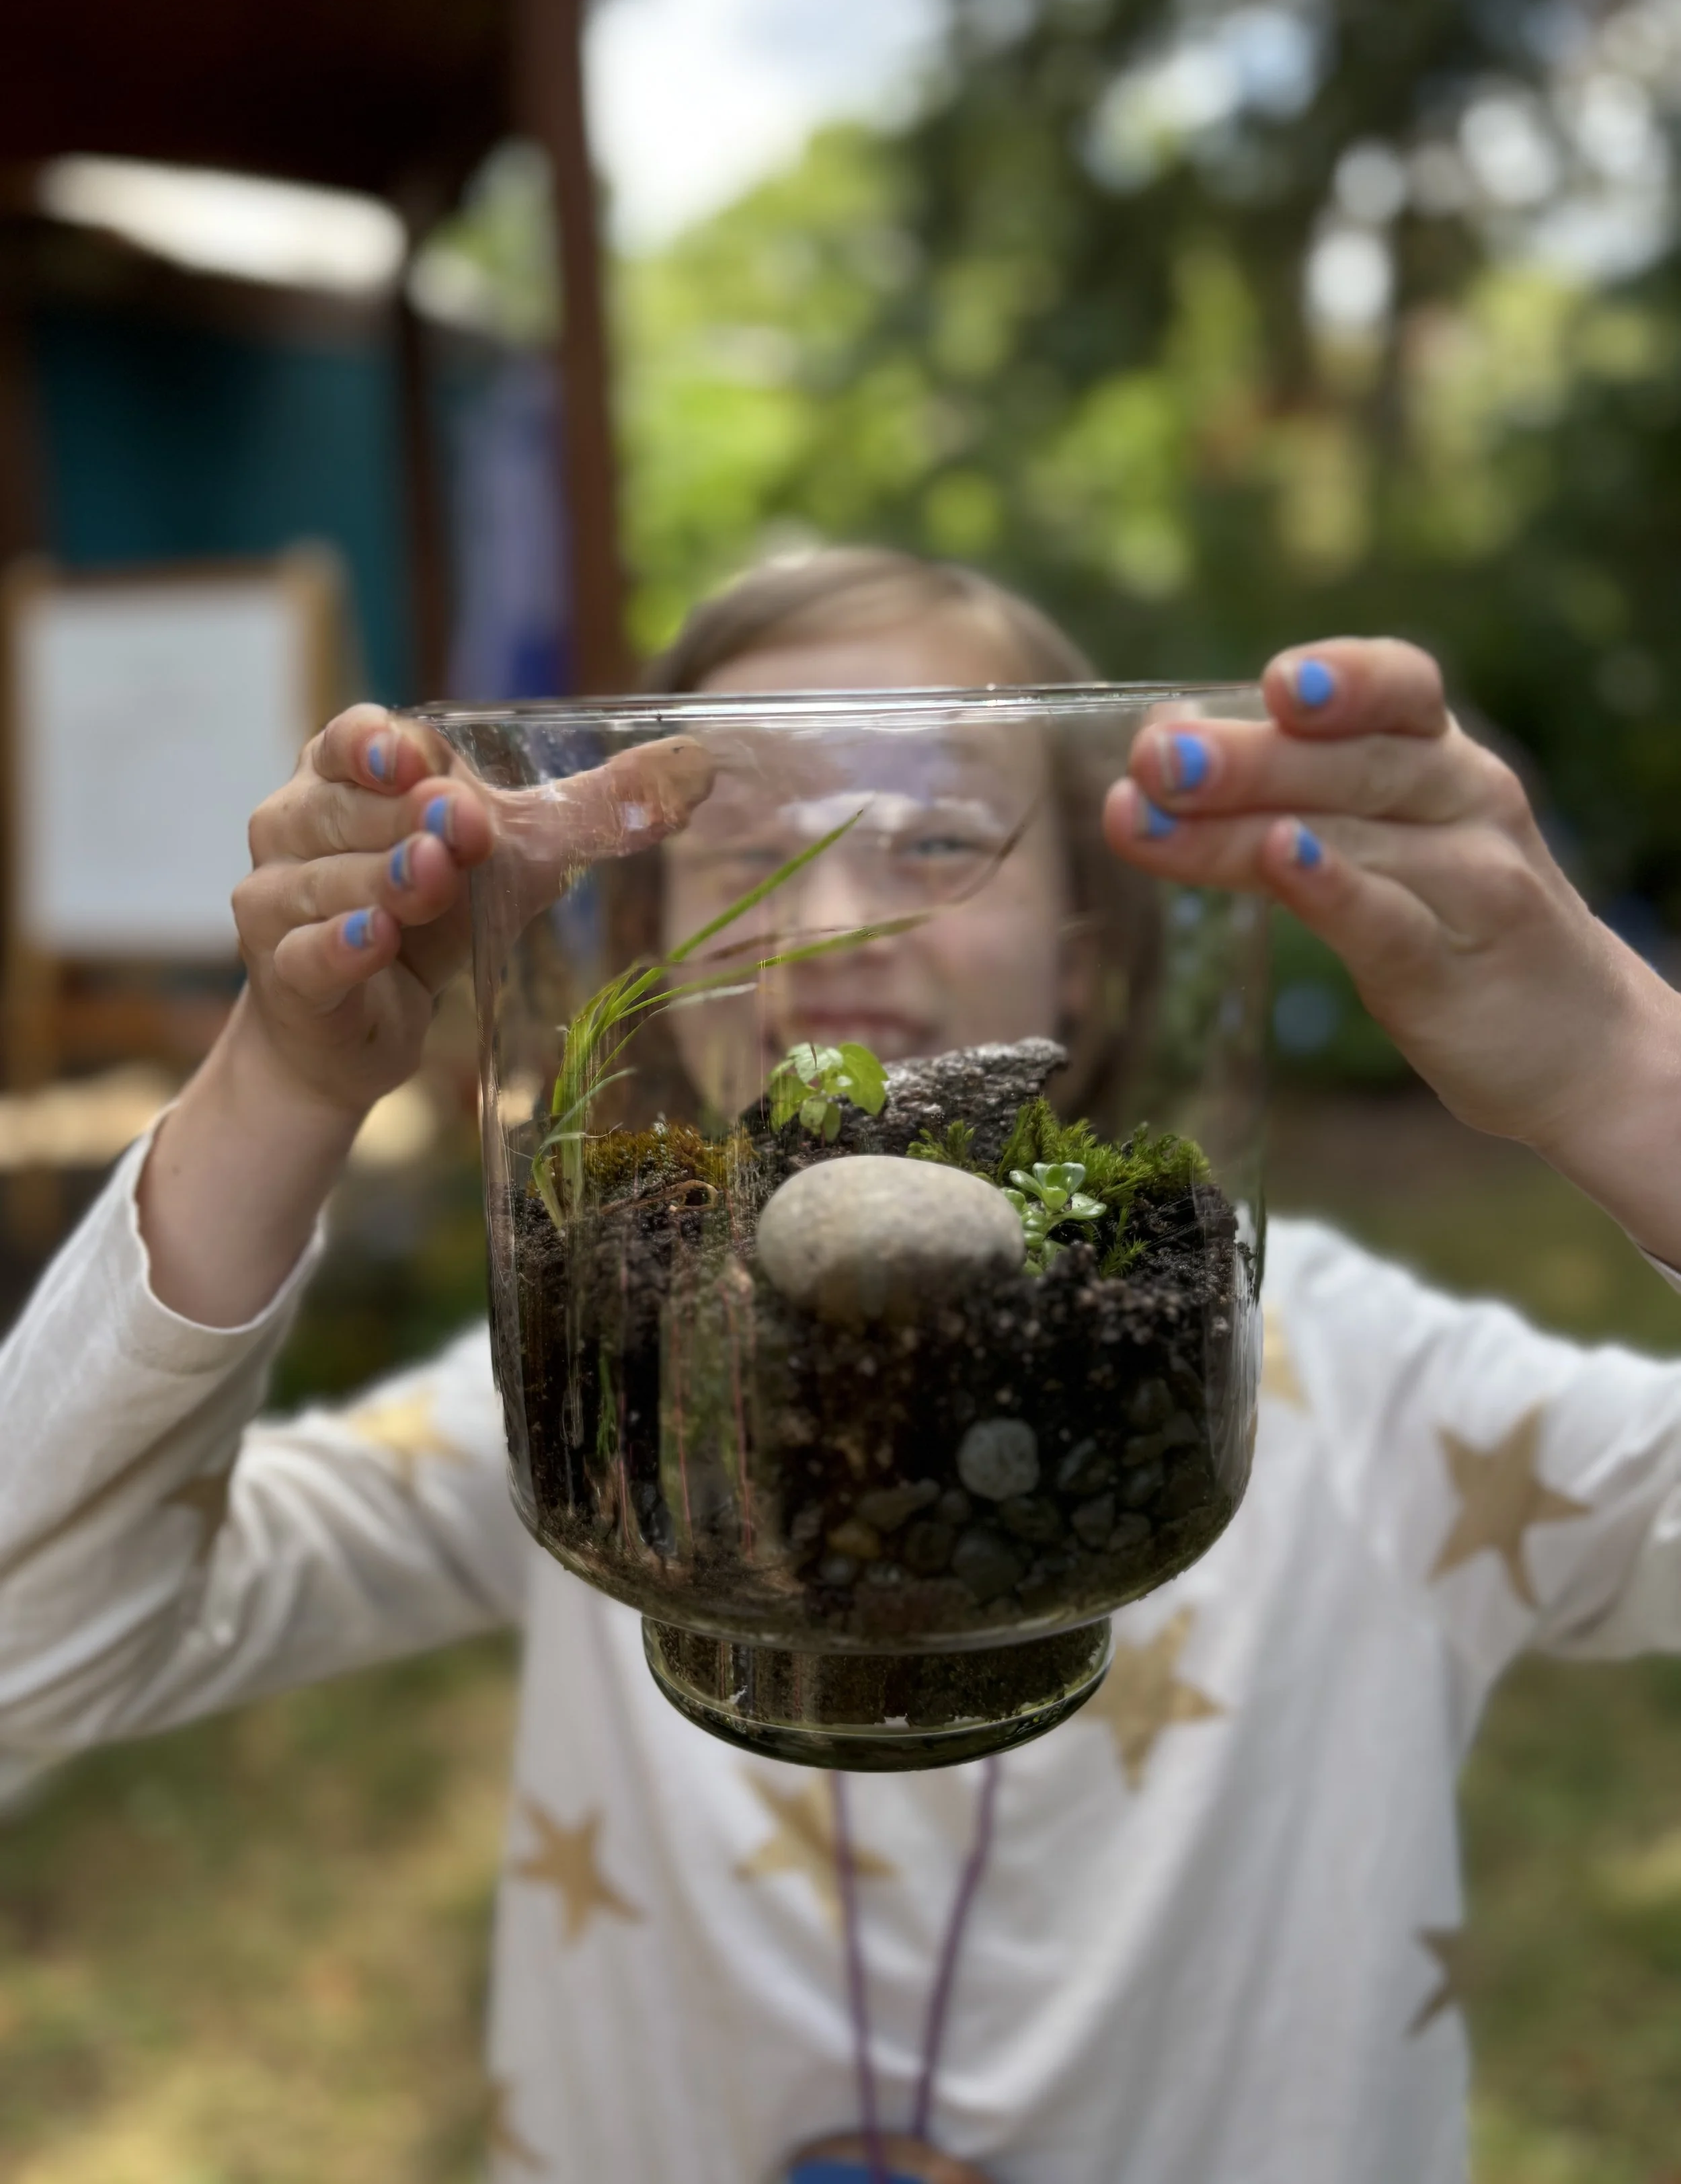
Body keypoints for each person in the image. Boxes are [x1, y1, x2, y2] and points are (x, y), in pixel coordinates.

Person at [2, 548, 1679, 2184]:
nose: (827, 918)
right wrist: (284, 1075)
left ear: (1084, 952)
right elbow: (37, 1646)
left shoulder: (1382, 1401)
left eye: (938, 839)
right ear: (643, 946)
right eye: (733, 853)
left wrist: (1611, 1062)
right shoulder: (609, 1391)